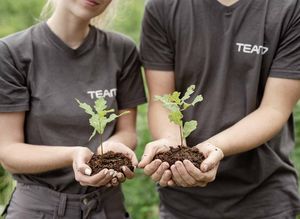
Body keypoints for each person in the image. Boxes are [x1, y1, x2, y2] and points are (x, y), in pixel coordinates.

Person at [138, 0, 300, 218]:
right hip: (183, 198)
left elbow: (274, 109)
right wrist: (174, 148)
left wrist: (213, 148)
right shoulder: (163, 7)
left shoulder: (289, 8)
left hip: (262, 196)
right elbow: (162, 101)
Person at [0, 0, 146, 218]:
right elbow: (9, 152)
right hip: (38, 208)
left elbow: (127, 132)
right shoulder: (12, 52)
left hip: (107, 206)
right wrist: (73, 155)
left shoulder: (122, 51)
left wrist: (111, 148)